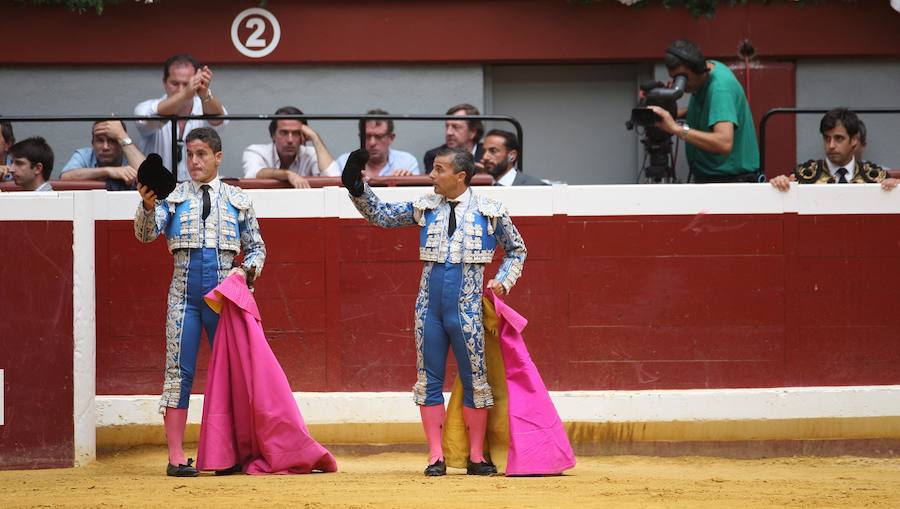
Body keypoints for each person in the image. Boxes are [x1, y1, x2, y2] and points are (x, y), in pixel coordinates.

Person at [342, 146, 527, 477]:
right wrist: (356, 187)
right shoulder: (424, 208)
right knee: (428, 380)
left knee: (476, 381)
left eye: (439, 170)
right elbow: (381, 215)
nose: (432, 176)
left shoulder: (490, 211)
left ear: (460, 176)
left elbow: (516, 250)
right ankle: (435, 456)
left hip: (468, 311)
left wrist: (503, 280)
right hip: (429, 311)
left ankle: (475, 457)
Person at [134, 127, 266, 477]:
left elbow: (256, 249)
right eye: (190, 154)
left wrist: (245, 273)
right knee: (179, 374)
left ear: (218, 157)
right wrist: (147, 207)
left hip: (224, 300)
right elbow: (146, 236)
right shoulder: (170, 198)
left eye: (202, 154)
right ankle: (176, 456)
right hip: (184, 298)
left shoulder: (238, 199)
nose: (194, 161)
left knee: (232, 376)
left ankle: (231, 454)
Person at [648, 39, 760, 183]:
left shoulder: (720, 89)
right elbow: (715, 111)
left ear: (698, 68)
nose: (680, 84)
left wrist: (676, 128)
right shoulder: (709, 70)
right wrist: (674, 114)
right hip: (712, 177)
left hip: (731, 181)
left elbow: (724, 143)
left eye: (682, 78)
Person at [134, 54, 227, 182]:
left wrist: (205, 93)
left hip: (198, 191)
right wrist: (185, 94)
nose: (181, 89)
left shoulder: (205, 105)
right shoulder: (145, 107)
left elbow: (219, 119)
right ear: (164, 82)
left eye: (187, 84)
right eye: (175, 83)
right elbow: (145, 119)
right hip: (158, 192)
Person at [770, 108, 898, 192]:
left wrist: (896, 187)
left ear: (854, 140)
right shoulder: (804, 175)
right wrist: (780, 183)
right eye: (827, 138)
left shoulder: (875, 176)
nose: (831, 145)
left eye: (839, 139)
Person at [242, 106, 339, 188]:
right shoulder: (255, 151)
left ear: (303, 136)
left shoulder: (311, 153)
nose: (290, 140)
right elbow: (252, 174)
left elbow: (333, 178)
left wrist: (315, 137)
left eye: (296, 133)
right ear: (273, 135)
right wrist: (287, 174)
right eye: (284, 133)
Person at [60, 120, 146, 190]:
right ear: (92, 143)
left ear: (120, 142)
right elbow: (65, 177)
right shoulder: (85, 155)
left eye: (112, 140)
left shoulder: (130, 154)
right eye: (100, 140)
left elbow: (150, 179)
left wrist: (122, 135)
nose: (105, 147)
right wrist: (108, 171)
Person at [336, 108, 420, 178]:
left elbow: (416, 196)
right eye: (367, 136)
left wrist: (406, 181)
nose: (372, 143)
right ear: (360, 137)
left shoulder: (407, 162)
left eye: (379, 136)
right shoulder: (344, 162)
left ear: (391, 138)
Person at [424, 103, 485, 173]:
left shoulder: (487, 155)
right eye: (447, 126)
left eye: (456, 127)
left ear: (472, 132)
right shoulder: (435, 156)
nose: (448, 132)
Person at [480, 129, 546, 186]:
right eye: (483, 151)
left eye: (493, 151)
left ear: (512, 156)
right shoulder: (478, 186)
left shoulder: (535, 187)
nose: (485, 157)